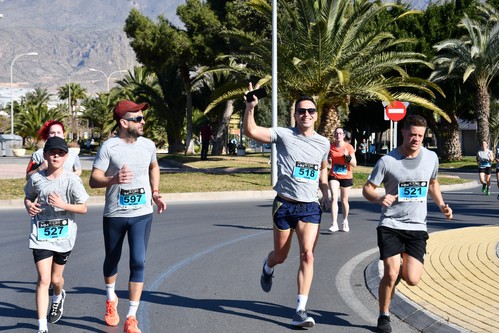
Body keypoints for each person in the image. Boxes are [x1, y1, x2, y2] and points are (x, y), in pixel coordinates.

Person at [243, 84, 330, 328]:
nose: (306, 115)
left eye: (310, 111)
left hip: (309, 206)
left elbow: (322, 168)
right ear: (295, 115)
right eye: (301, 111)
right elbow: (250, 131)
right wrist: (249, 108)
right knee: (281, 256)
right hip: (284, 205)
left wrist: (325, 191)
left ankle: (300, 309)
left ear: (316, 114)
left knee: (308, 254)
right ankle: (268, 266)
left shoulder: (323, 143)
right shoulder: (283, 134)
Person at [362, 115, 453, 333]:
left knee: (412, 279)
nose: (416, 139)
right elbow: (368, 188)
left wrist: (441, 205)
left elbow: (432, 183)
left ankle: (400, 271)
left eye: (420, 135)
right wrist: (378, 198)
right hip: (390, 224)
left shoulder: (431, 158)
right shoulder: (388, 161)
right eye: (412, 134)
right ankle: (384, 316)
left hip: (417, 227)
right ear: (403, 132)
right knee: (391, 273)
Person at [89, 99, 167, 333]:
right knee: (112, 259)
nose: (143, 122)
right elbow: (93, 180)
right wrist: (113, 179)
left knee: (138, 261)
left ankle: (131, 316)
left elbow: (154, 166)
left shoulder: (148, 145)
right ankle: (111, 300)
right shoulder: (108, 147)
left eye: (143, 117)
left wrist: (155, 192)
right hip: (114, 213)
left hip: (142, 213)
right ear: (124, 122)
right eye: (138, 118)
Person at [24, 136, 89, 333]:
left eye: (60, 153)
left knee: (55, 280)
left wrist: (62, 205)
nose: (56, 156)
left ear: (66, 157)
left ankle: (58, 296)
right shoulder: (36, 179)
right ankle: (42, 327)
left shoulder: (72, 180)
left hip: (64, 237)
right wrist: (29, 206)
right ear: (45, 155)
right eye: (52, 153)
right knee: (43, 279)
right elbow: (28, 197)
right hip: (41, 235)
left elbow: (83, 208)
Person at [328, 127, 357, 232]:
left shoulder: (349, 147)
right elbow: (328, 160)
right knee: (334, 197)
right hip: (334, 175)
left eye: (340, 133)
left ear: (344, 135)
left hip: (346, 176)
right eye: (336, 133)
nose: (338, 135)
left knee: (344, 200)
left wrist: (347, 156)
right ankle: (334, 223)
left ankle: (345, 220)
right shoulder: (330, 147)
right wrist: (329, 161)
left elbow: (354, 164)